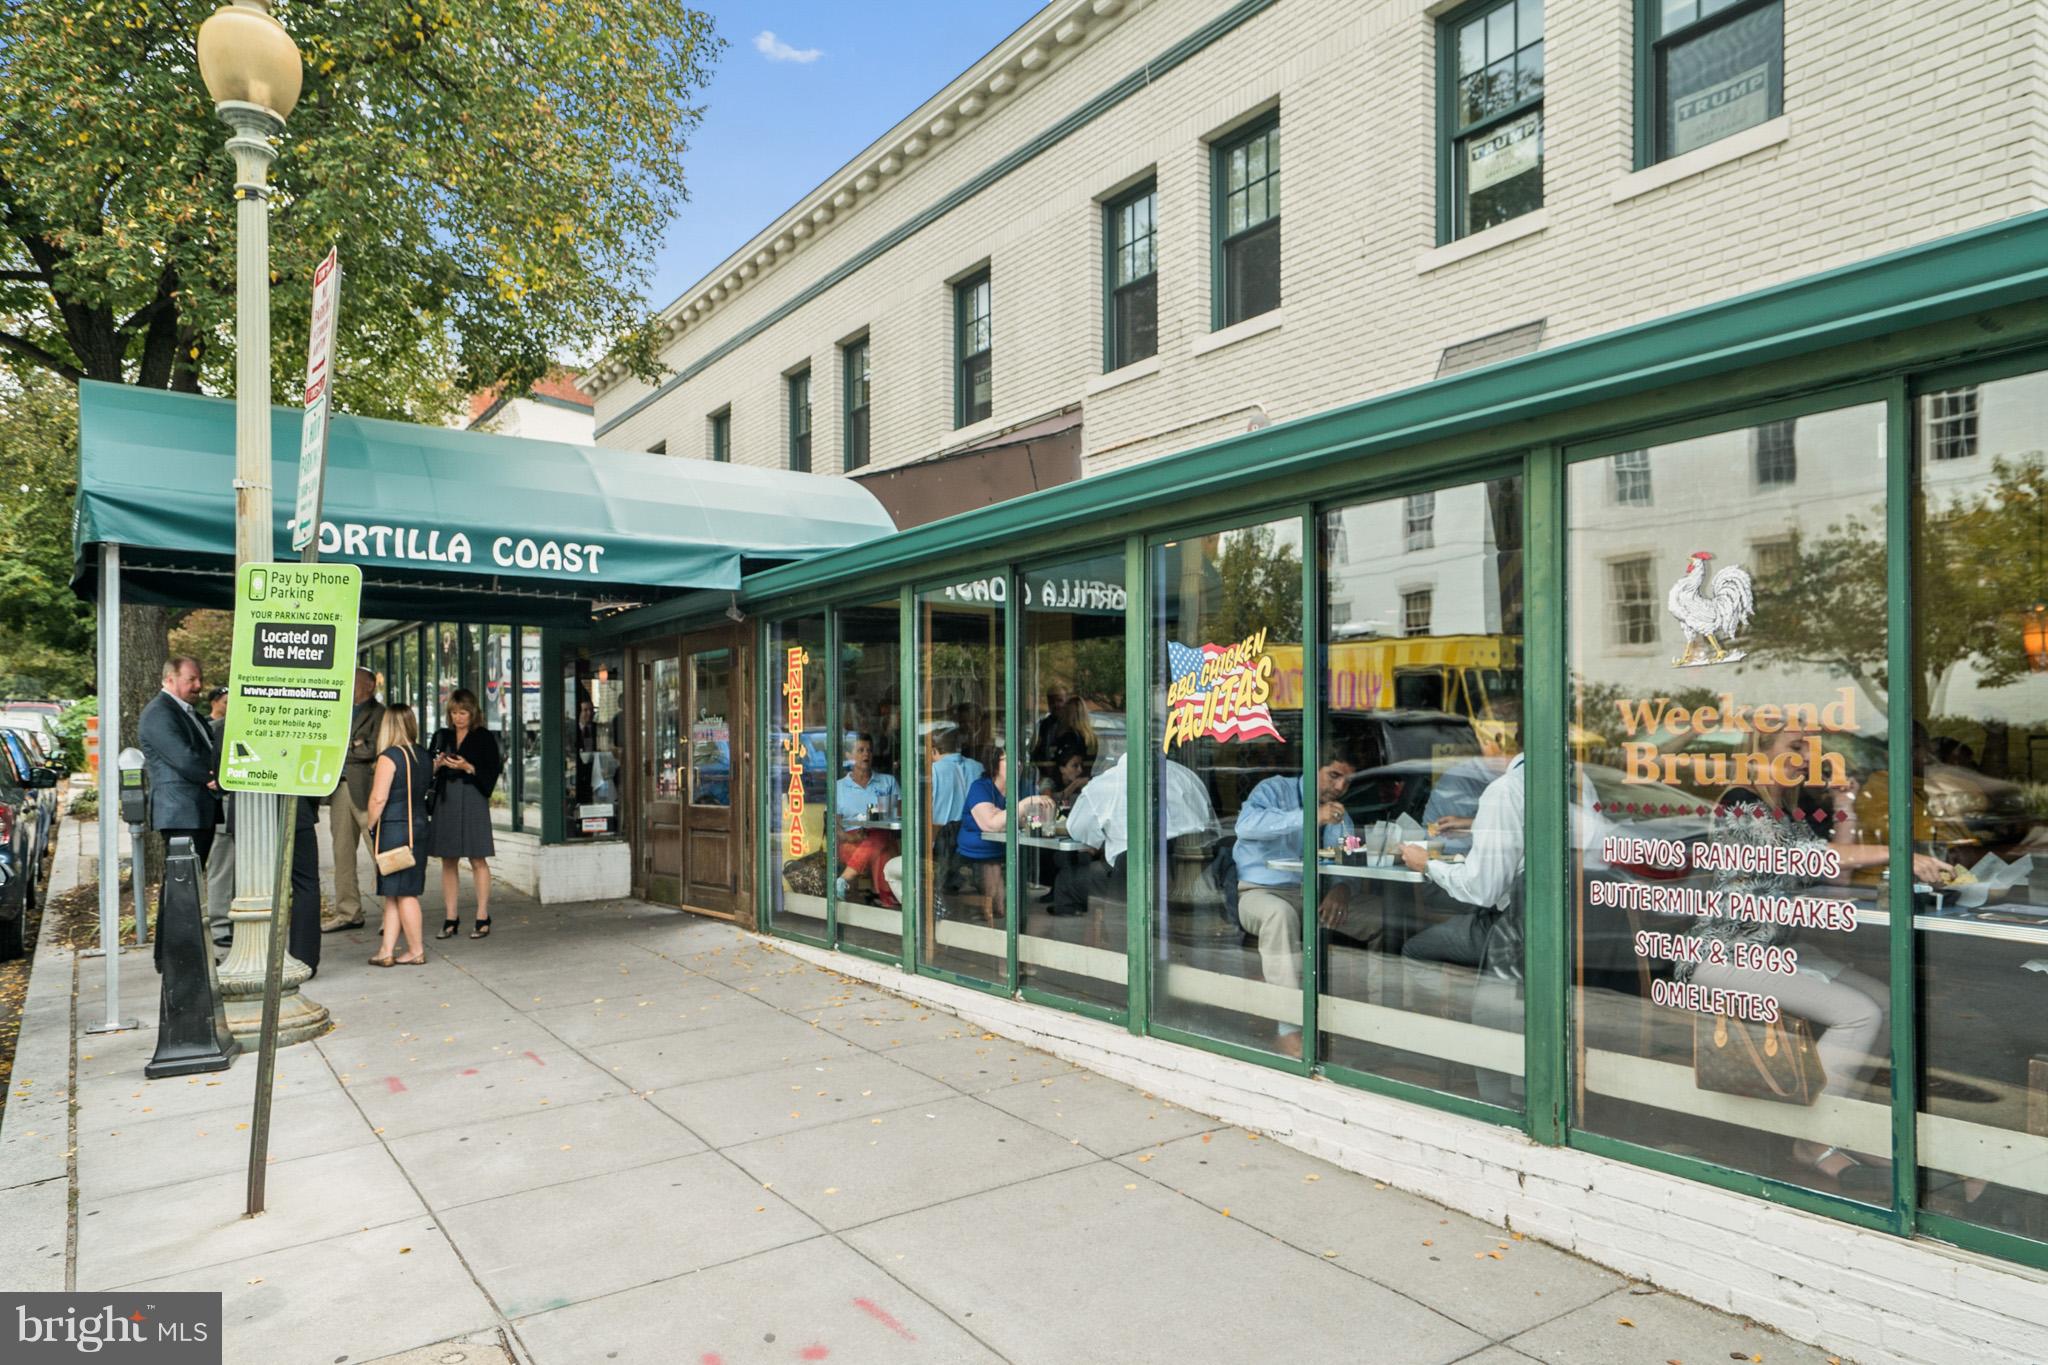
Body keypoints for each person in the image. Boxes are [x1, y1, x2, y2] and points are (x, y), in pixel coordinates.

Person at [1678, 724, 1952, 1194]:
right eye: (1795, 748)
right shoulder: (1742, 802)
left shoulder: (1787, 812)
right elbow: (1812, 860)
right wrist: (1900, 854)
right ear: (1759, 754)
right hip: (1726, 954)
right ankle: (1808, 1138)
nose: (1806, 758)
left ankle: (1839, 1122)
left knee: (1886, 1003)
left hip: (1779, 949)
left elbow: (1834, 878)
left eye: (1808, 749)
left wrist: (1844, 808)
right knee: (1859, 1014)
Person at [1232, 757, 1359, 1057]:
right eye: (1334, 775)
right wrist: (1311, 816)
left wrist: (1342, 887)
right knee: (1280, 915)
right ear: (1313, 766)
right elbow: (1245, 826)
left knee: (1379, 920)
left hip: (1313, 895)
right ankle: (1288, 1029)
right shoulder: (1274, 790)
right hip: (1258, 891)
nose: (1340, 787)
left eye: (1348, 781)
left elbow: (1347, 852)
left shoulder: (1339, 813)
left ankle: (1368, 1025)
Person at [1054, 750, 1214, 918]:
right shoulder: (1186, 776)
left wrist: (1100, 839)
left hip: (1131, 881)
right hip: (1193, 877)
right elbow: (1206, 820)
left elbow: (1077, 829)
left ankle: (1083, 940)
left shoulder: (1106, 783)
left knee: (1066, 881)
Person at [138, 656, 219, 969]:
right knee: (181, 888)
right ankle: (179, 959)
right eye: (191, 679)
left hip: (194, 810)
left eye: (199, 679)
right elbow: (184, 758)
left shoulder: (186, 712)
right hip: (181, 812)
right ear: (170, 679)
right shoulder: (159, 713)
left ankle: (173, 955)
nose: (198, 685)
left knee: (185, 887)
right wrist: (214, 778)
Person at [427, 688, 502, 939]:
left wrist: (467, 766)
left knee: (477, 857)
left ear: (473, 713)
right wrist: (436, 766)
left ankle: (482, 915)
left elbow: (492, 769)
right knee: (448, 859)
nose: (458, 718)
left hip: (472, 796)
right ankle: (451, 917)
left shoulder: (483, 737)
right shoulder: (442, 735)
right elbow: (427, 769)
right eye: (454, 713)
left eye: (463, 713)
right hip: (446, 798)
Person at [954, 750, 1052, 925]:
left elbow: (1032, 822)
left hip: (1008, 845)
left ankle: (998, 908)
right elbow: (991, 823)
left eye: (1019, 760)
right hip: (979, 845)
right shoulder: (980, 787)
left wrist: (1041, 814)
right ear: (994, 764)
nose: (1018, 765)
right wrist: (1023, 805)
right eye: (1009, 760)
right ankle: (995, 909)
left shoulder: (1023, 787)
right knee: (991, 862)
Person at [366, 703, 429, 966]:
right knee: (393, 891)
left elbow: (379, 798)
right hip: (418, 827)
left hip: (394, 829)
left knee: (404, 893)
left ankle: (415, 950)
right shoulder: (422, 756)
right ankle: (386, 950)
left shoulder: (389, 757)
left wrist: (371, 824)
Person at [323, 668, 386, 933]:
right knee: (342, 853)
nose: (347, 686)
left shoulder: (380, 713)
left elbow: (375, 748)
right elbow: (327, 743)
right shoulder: (337, 710)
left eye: (354, 682)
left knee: (380, 853)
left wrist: (344, 748)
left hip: (368, 790)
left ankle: (394, 911)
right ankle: (348, 912)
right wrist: (353, 746)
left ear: (369, 686)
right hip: (339, 789)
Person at [835, 733, 901, 908]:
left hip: (882, 834)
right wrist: (852, 838)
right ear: (849, 756)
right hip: (852, 841)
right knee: (883, 851)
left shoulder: (887, 781)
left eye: (869, 751)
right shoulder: (839, 787)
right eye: (860, 750)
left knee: (878, 834)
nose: (866, 755)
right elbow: (834, 825)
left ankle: (844, 878)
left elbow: (898, 811)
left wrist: (874, 818)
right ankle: (887, 900)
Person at [928, 726, 984, 911]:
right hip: (977, 838)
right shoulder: (978, 767)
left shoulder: (934, 770)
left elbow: (926, 812)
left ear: (934, 749)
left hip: (944, 843)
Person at [203, 687, 235, 948]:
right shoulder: (216, 728)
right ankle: (220, 925)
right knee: (222, 866)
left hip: (240, 806)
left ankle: (227, 921)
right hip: (225, 806)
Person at [289, 794, 322, 976]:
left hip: (249, 814)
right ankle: (304, 957)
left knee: (256, 887)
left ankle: (258, 954)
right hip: (297, 810)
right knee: (306, 885)